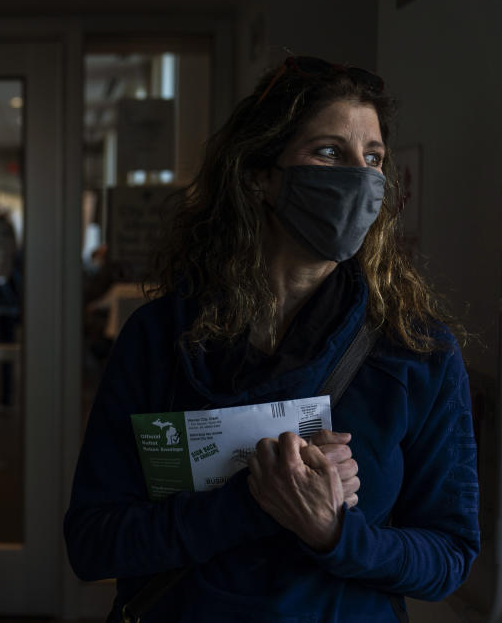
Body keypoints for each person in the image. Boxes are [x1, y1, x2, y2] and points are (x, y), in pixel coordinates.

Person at [64, 56, 480, 622]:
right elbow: (94, 543)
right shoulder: (161, 337)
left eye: (374, 158)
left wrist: (333, 530)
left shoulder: (416, 350)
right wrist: (254, 501)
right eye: (329, 152)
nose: (360, 176)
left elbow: (449, 556)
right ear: (260, 174)